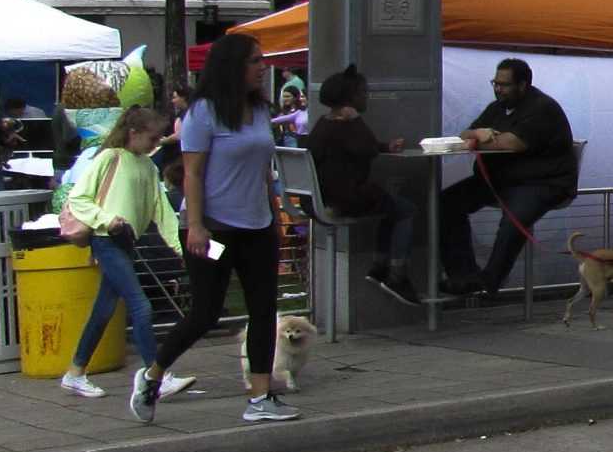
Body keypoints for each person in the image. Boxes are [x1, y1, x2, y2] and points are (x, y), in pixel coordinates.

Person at [129, 33, 294, 425]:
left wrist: (274, 213)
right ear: (233, 66)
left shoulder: (258, 111)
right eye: (255, 61)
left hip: (257, 228)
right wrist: (197, 226)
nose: (262, 67)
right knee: (206, 311)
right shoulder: (203, 113)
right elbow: (193, 172)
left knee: (263, 310)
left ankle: (260, 396)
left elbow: (262, 169)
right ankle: (152, 374)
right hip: (215, 231)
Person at [56, 106, 187, 400]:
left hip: (123, 241)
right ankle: (157, 375)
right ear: (134, 133)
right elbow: (78, 198)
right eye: (152, 137)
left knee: (104, 310)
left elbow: (162, 212)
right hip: (107, 239)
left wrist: (180, 247)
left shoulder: (146, 166)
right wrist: (106, 220)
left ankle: (75, 372)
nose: (157, 143)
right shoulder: (109, 157)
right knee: (141, 306)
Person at [439, 56, 580, 299]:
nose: (497, 89)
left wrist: (482, 138)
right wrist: (479, 133)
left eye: (504, 84)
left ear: (523, 85)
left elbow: (513, 143)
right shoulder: (497, 108)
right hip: (501, 180)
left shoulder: (542, 108)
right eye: (495, 83)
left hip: (542, 182)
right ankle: (462, 275)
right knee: (446, 204)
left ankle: (490, 279)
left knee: (515, 217)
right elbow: (466, 134)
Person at [306, 67, 417, 301]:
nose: (366, 97)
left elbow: (356, 146)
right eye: (363, 93)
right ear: (351, 98)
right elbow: (365, 148)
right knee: (405, 210)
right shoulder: (347, 125)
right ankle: (397, 273)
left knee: (392, 208)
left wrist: (386, 146)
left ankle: (380, 265)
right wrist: (357, 120)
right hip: (344, 198)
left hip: (321, 198)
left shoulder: (323, 124)